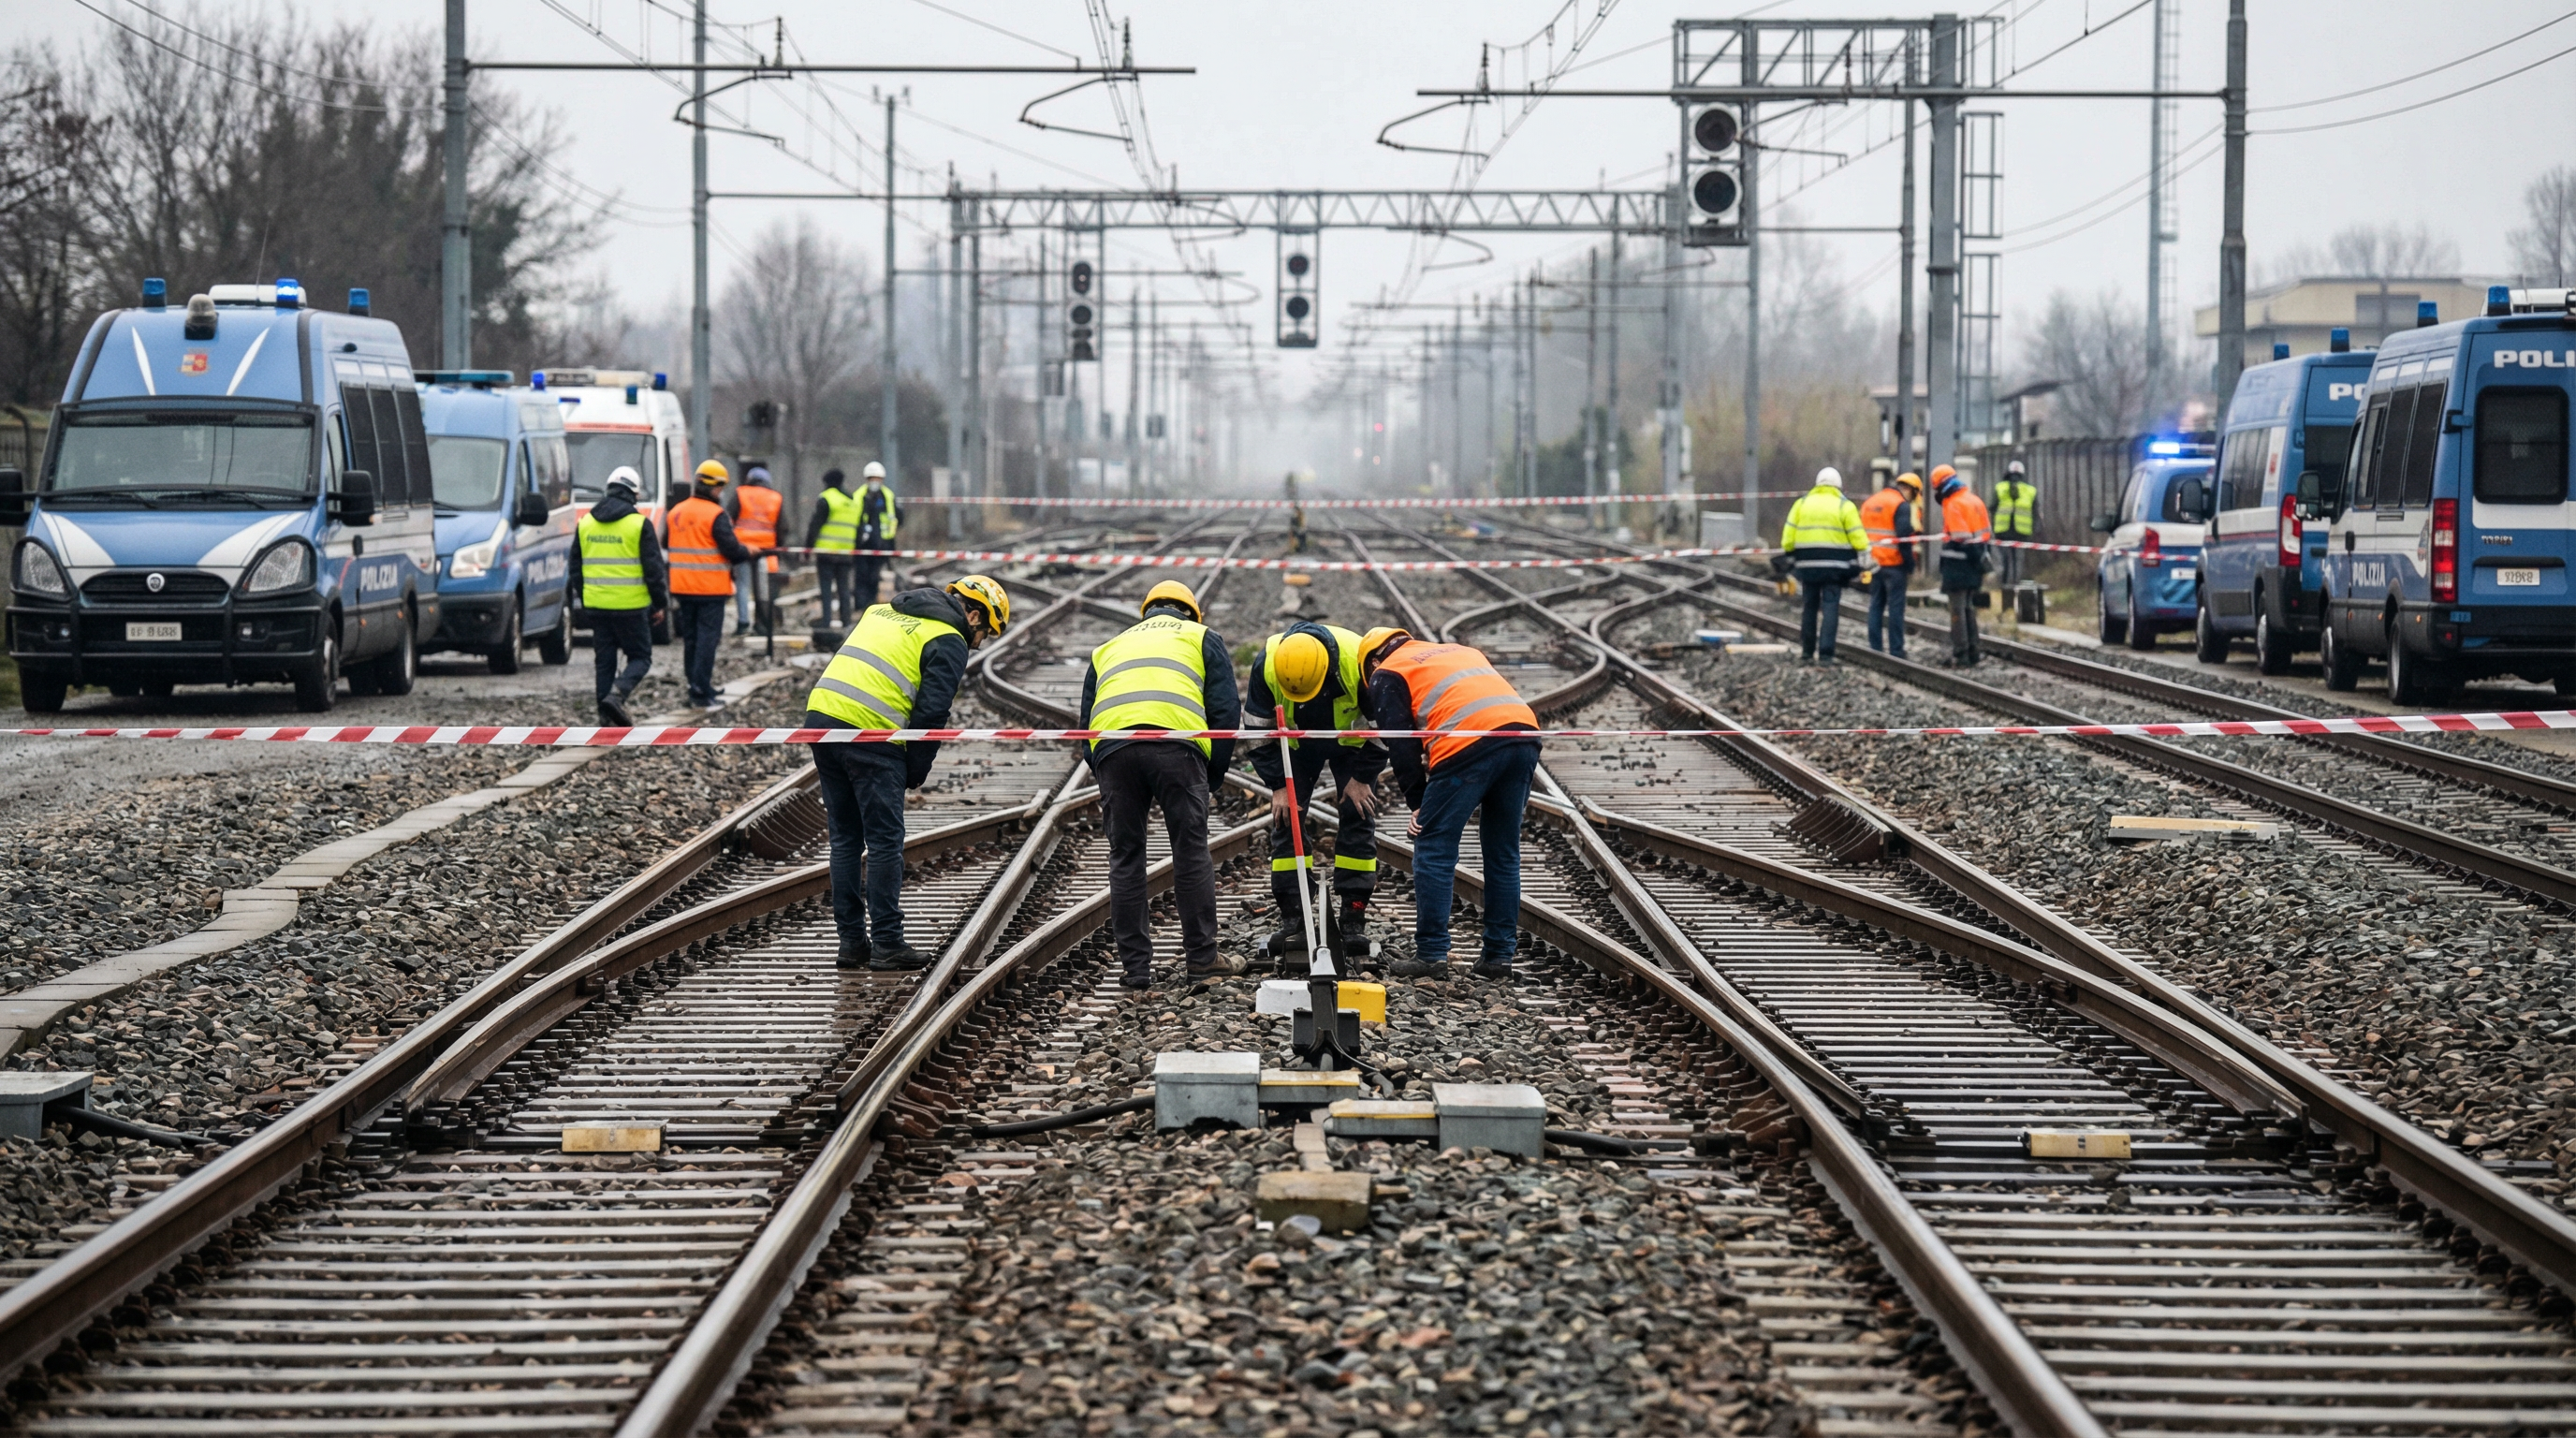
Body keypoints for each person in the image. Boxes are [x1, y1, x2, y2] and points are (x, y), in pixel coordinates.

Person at [803, 573, 1012, 971]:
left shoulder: (882, 611)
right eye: (984, 631)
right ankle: (887, 943)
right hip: (871, 733)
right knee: (884, 841)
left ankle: (850, 945)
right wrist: (914, 769)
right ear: (973, 614)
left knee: (845, 837)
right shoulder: (948, 638)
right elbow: (932, 713)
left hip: (822, 718)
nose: (979, 642)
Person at [1079, 580, 1242, 991]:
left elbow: (1085, 725)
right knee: (1189, 852)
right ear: (1190, 613)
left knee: (1126, 857)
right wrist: (1213, 774)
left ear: (1147, 612)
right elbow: (1225, 712)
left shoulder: (1109, 646)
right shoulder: (1203, 637)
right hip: (1177, 749)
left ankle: (1136, 970)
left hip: (1114, 751)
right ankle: (1203, 960)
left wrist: (1102, 766)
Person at [1362, 628, 1540, 981]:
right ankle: (1498, 958)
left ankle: (1431, 955)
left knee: (1433, 847)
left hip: (1467, 744)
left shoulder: (1387, 672)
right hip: (1524, 736)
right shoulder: (1459, 651)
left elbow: (1402, 745)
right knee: (1503, 854)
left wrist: (1417, 803)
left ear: (1374, 660)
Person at [1244, 622, 1386, 963]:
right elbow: (1256, 731)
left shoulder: (1361, 664)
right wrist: (1278, 784)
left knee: (1358, 813)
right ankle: (1293, 913)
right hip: (1297, 746)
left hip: (1352, 747)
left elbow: (1388, 726)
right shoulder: (1268, 664)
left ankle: (1353, 914)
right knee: (1286, 818)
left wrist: (1362, 777)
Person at [569, 466, 666, 726]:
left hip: (597, 606)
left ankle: (605, 717)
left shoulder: (586, 523)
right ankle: (617, 695)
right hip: (632, 606)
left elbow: (574, 567)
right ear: (633, 495)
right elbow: (653, 570)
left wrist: (587, 595)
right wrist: (660, 604)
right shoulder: (639, 524)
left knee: (605, 661)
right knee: (640, 657)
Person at [665, 460, 764, 711]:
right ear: (715, 487)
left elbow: (668, 542)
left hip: (682, 587)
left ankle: (697, 685)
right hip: (709, 588)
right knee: (708, 640)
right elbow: (732, 550)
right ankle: (701, 690)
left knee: (692, 640)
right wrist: (749, 551)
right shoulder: (716, 515)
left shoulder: (676, 511)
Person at [1780, 466, 1870, 665]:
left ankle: (1806, 653)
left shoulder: (1801, 504)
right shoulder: (1844, 506)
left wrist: (1791, 555)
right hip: (1835, 567)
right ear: (1838, 486)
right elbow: (1858, 537)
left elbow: (1787, 537)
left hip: (1807, 566)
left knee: (1809, 607)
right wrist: (1864, 555)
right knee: (1830, 608)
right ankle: (1826, 656)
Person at [1935, 464, 1995, 666]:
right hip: (1976, 564)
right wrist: (1981, 560)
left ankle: (1961, 653)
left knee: (1957, 610)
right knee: (1968, 608)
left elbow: (1961, 538)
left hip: (1958, 566)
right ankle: (1974, 650)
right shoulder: (1975, 500)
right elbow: (1985, 535)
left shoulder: (1953, 504)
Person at [1861, 469, 1924, 658]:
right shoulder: (1900, 505)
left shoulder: (1870, 502)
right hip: (1894, 565)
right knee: (1895, 608)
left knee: (1875, 605)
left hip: (1872, 564)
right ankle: (1896, 650)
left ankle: (1875, 648)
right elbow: (1903, 539)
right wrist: (1910, 565)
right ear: (1911, 490)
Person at [731, 463, 783, 636]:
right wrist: (778, 549)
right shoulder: (776, 497)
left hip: (743, 549)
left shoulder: (740, 493)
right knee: (763, 589)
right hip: (766, 551)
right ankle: (763, 623)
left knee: (743, 586)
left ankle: (743, 623)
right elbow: (783, 526)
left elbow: (728, 519)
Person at [807, 468, 860, 628]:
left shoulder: (827, 498)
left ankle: (827, 621)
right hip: (846, 552)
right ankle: (846, 621)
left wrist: (808, 547)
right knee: (844, 589)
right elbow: (857, 528)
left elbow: (815, 525)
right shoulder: (852, 501)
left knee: (826, 589)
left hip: (827, 552)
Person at [854, 462, 900, 608]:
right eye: (872, 478)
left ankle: (871, 603)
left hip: (882, 543)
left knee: (874, 576)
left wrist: (890, 543)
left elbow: (896, 517)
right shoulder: (859, 495)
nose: (875, 481)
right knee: (861, 575)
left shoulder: (887, 496)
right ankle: (861, 604)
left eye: (877, 478)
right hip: (862, 543)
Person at [1993, 459, 2035, 589]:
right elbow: (2035, 511)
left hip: (2003, 530)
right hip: (2022, 531)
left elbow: (1992, 507)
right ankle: (2016, 584)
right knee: (2018, 559)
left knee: (2005, 559)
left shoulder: (2000, 487)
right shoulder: (2030, 490)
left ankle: (2004, 584)